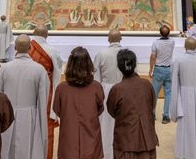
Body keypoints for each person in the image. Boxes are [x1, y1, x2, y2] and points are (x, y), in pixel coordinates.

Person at [0, 34, 49, 159]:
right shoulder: (39, 70)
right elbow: (43, 101)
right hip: (30, 117)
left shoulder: (4, 68)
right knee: (28, 151)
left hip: (7, 117)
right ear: (30, 47)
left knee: (7, 151)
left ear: (15, 48)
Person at [53, 46, 105, 159]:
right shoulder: (96, 87)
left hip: (69, 135)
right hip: (91, 135)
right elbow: (100, 109)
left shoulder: (62, 88)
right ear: (88, 64)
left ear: (70, 65)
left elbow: (57, 109)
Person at [107, 48, 158, 159]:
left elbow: (111, 111)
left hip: (126, 138)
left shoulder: (117, 89)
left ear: (119, 67)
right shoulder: (147, 85)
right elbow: (152, 105)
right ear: (135, 64)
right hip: (146, 138)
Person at [29, 25, 63, 159]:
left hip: (27, 89)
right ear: (47, 35)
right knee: (45, 121)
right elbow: (57, 70)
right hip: (46, 90)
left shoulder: (25, 47)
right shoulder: (52, 51)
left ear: (33, 33)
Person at [93, 29, 124, 159]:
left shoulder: (101, 54)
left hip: (105, 90)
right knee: (122, 120)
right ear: (120, 39)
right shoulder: (126, 54)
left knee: (106, 122)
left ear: (108, 39)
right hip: (123, 89)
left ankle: (106, 152)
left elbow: (96, 78)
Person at [149, 25, 174, 123]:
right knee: (168, 93)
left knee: (154, 92)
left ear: (160, 33)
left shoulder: (156, 42)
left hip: (158, 69)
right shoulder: (172, 42)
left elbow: (153, 56)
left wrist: (151, 69)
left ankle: (152, 113)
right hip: (168, 69)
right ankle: (166, 116)